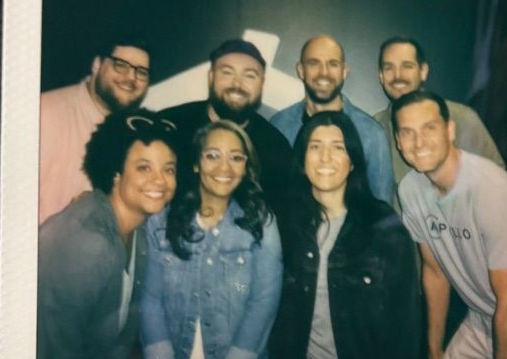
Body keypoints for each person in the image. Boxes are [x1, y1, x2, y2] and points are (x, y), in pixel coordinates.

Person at [392, 90, 507, 359]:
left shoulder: (493, 190)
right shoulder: (410, 189)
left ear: (449, 131)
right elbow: (434, 271)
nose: (418, 142)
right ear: (399, 143)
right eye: (407, 132)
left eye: (429, 128)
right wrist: (434, 347)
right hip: (480, 319)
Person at [268, 112, 422, 359]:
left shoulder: (384, 227)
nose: (325, 156)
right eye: (315, 146)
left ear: (352, 161)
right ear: (302, 158)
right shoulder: (285, 224)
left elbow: (404, 326)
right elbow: (276, 314)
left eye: (338, 147)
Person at [36, 110, 178, 359]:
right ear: (116, 172)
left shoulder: (138, 231)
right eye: (144, 168)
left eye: (169, 169)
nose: (160, 180)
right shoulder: (87, 244)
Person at [140, 120, 283, 359]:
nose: (225, 167)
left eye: (236, 157)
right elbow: (150, 302)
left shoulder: (261, 223)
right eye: (212, 155)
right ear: (195, 164)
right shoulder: (160, 222)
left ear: (246, 167)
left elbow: (263, 304)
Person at [158, 39, 292, 220]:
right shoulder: (169, 128)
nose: (237, 84)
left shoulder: (276, 147)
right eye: (227, 73)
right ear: (211, 77)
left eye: (250, 75)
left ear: (262, 84)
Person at [39, 33, 152, 224]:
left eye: (141, 72)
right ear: (97, 65)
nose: (131, 77)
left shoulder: (133, 131)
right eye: (120, 65)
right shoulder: (46, 114)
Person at [270, 35, 395, 203]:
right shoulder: (279, 126)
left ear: (344, 72)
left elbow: (382, 205)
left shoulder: (371, 134)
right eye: (314, 63)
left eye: (333, 64)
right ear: (300, 70)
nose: (324, 72)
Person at [374, 37, 504, 194]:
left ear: (423, 72)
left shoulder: (462, 118)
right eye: (389, 68)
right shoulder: (373, 130)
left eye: (407, 66)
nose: (398, 75)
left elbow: (497, 181)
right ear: (381, 76)